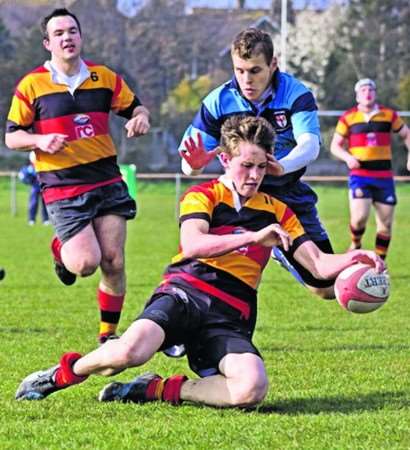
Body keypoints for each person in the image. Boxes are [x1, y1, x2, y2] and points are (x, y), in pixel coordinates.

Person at [15, 116, 384, 408]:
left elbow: (318, 265)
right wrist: (253, 238)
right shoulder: (202, 195)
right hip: (184, 293)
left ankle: (154, 390)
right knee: (129, 351)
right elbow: (193, 244)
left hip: (230, 313)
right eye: (245, 165)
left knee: (251, 389)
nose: (253, 176)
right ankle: (62, 375)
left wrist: (357, 257)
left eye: (260, 167)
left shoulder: (278, 210)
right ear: (225, 159)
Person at [5, 8, 150, 343]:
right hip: (63, 187)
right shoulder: (32, 85)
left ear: (81, 37)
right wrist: (39, 139)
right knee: (86, 263)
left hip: (107, 179)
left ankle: (107, 336)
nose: (67, 37)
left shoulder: (105, 78)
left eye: (72, 31)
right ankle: (61, 249)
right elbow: (12, 136)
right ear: (47, 43)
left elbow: (137, 108)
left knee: (113, 260)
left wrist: (140, 118)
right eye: (59, 33)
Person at [178, 28, 335, 299]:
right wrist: (195, 166)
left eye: (255, 70)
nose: (246, 80)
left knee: (326, 287)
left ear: (273, 64)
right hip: (238, 199)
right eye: (239, 70)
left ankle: (280, 253)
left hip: (287, 194)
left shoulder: (296, 94)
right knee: (207, 275)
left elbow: (309, 145)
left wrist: (282, 166)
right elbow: (188, 163)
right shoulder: (218, 101)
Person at [330, 78, 410, 260]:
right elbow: (335, 146)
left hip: (384, 177)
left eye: (371, 90)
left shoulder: (389, 115)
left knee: (385, 225)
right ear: (357, 95)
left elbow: (407, 134)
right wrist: (348, 157)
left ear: (375, 93)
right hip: (360, 176)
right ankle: (356, 243)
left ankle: (380, 263)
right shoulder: (348, 117)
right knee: (358, 219)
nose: (367, 93)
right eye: (363, 90)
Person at [18, 152, 49, 225]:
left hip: (44, 187)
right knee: (33, 203)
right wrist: (29, 180)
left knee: (45, 204)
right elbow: (23, 176)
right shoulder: (29, 168)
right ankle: (31, 219)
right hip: (35, 188)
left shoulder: (44, 167)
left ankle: (46, 219)